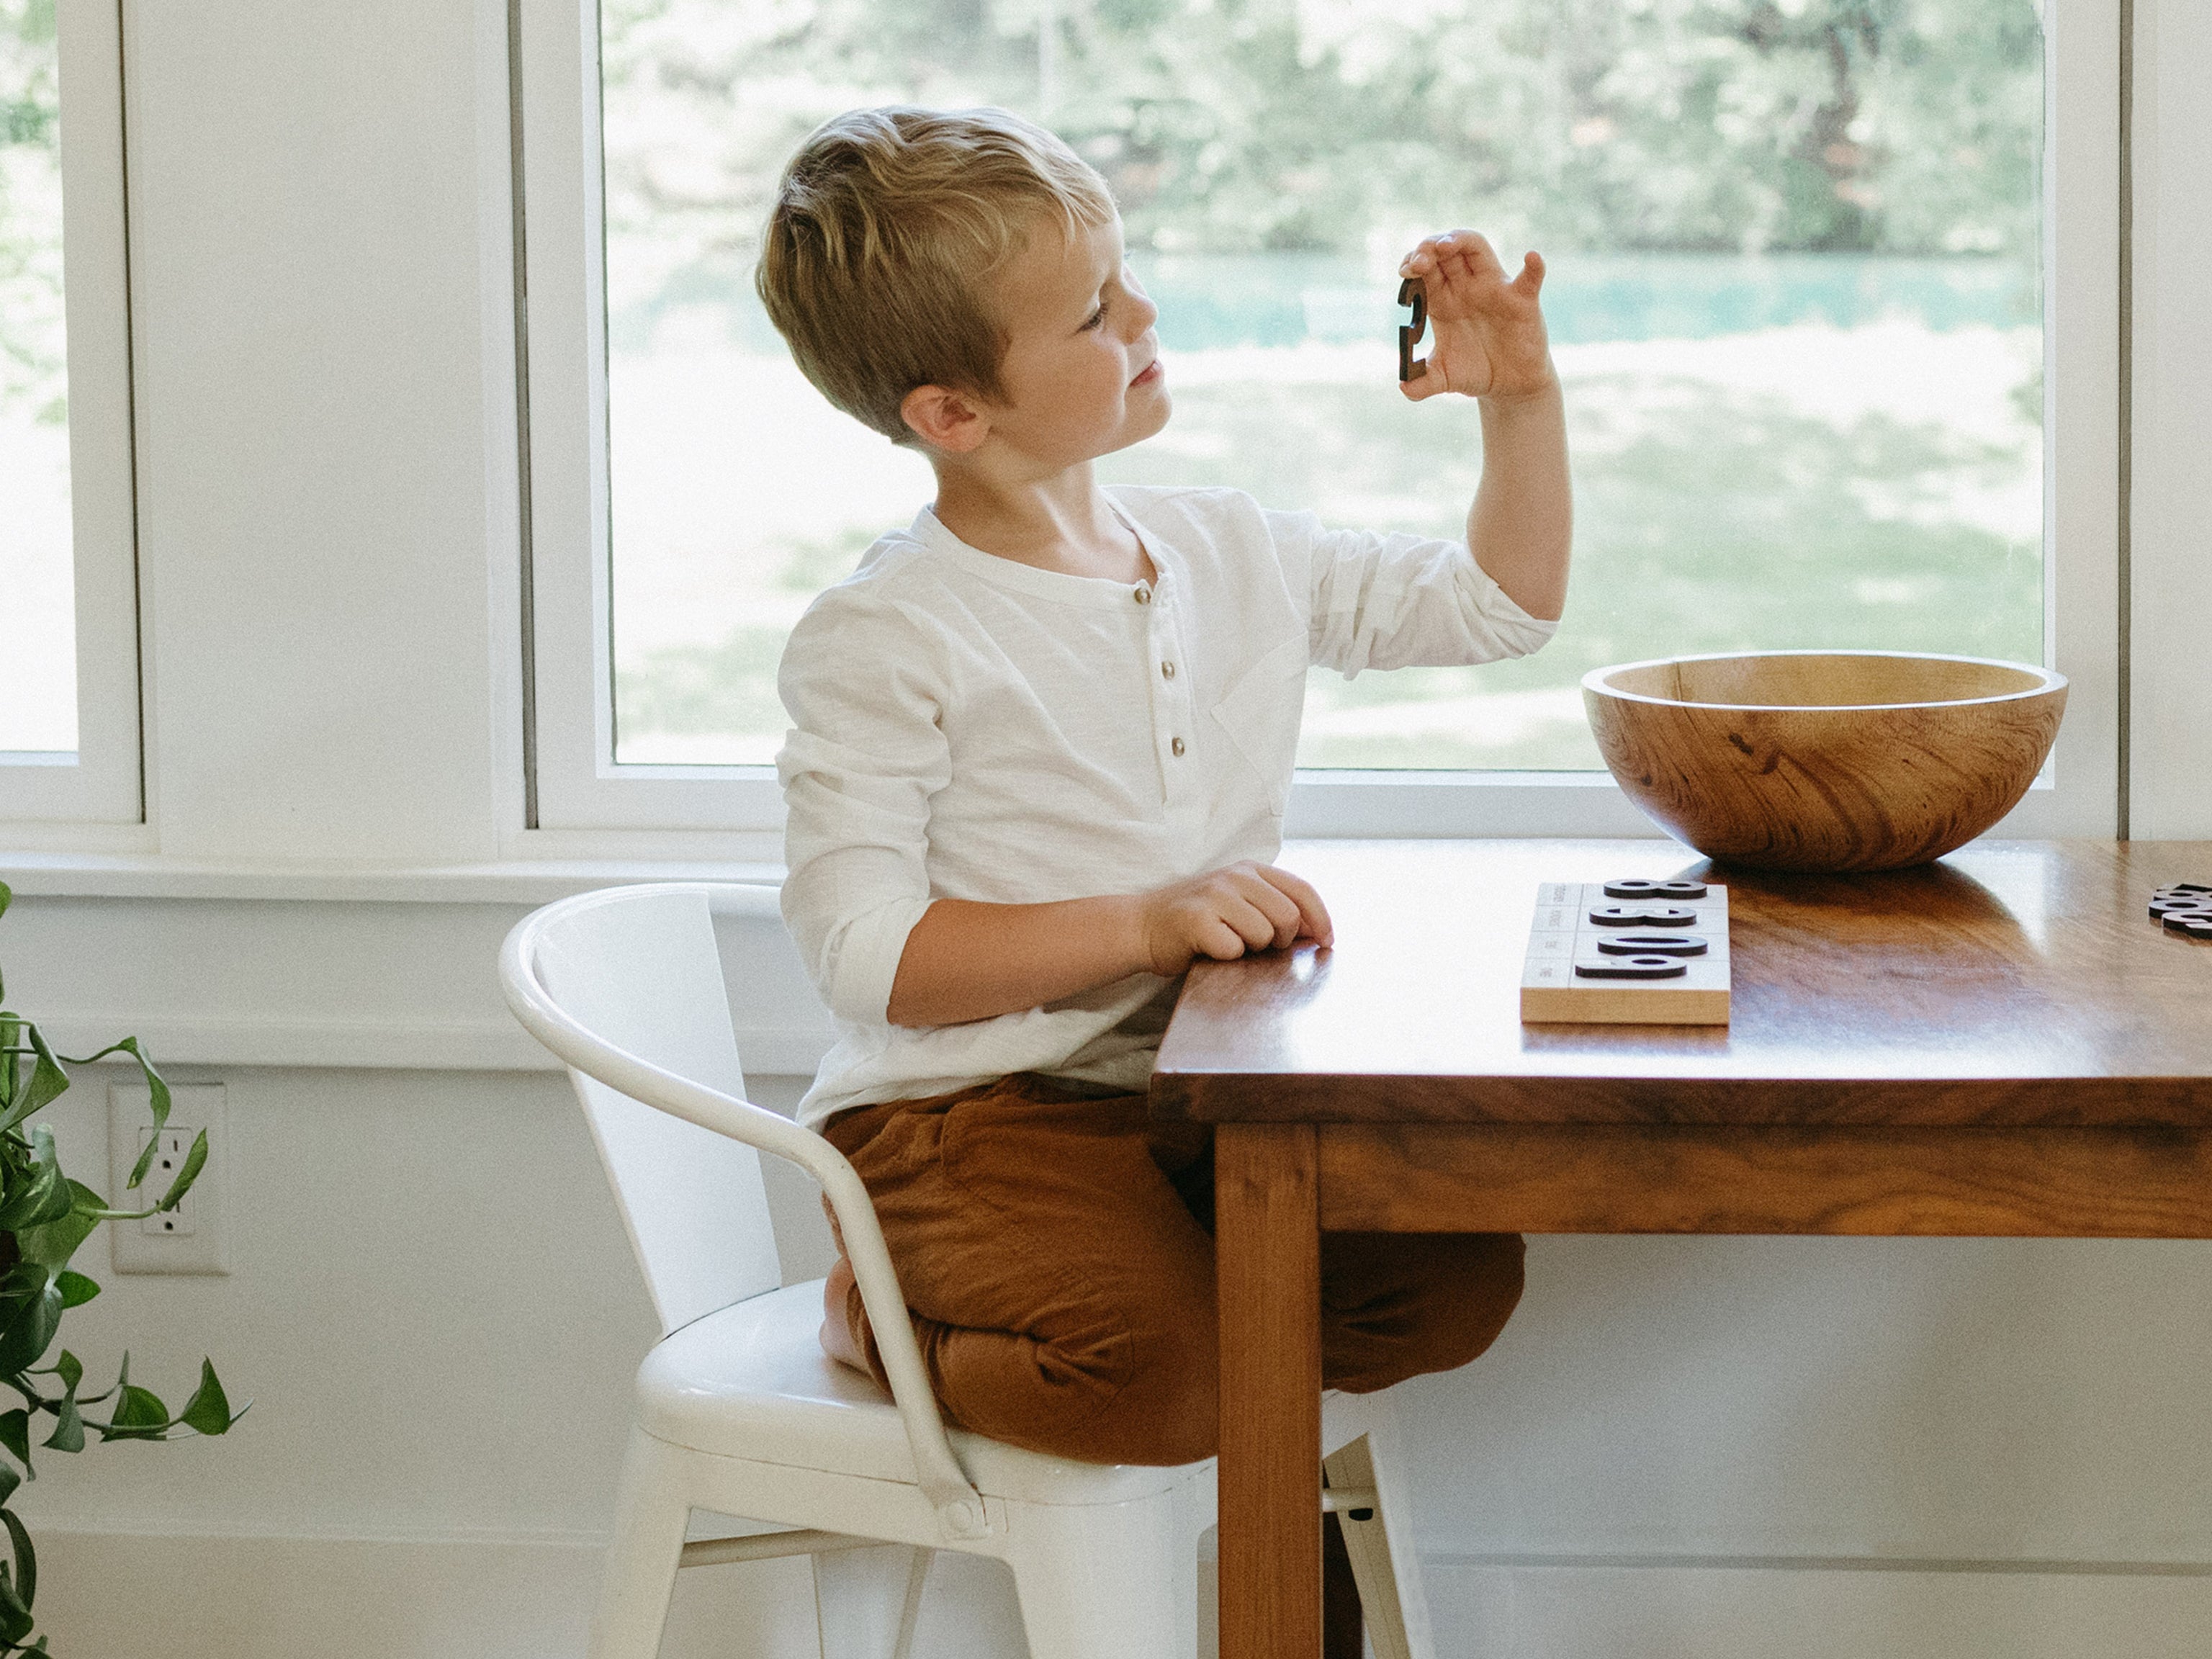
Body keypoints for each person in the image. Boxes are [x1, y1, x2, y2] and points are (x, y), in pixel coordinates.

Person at [763, 103, 1566, 1484]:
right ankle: (878, 1319)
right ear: (951, 413)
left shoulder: (1224, 546)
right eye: (1090, 313)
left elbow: (1499, 609)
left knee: (1450, 1284)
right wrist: (1144, 923)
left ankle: (1183, 1321)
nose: (1141, 312)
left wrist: (1521, 401)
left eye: (1123, 275)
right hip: (969, 1116)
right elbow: (868, 957)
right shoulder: (888, 631)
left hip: (1198, 1093)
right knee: (1165, 1380)